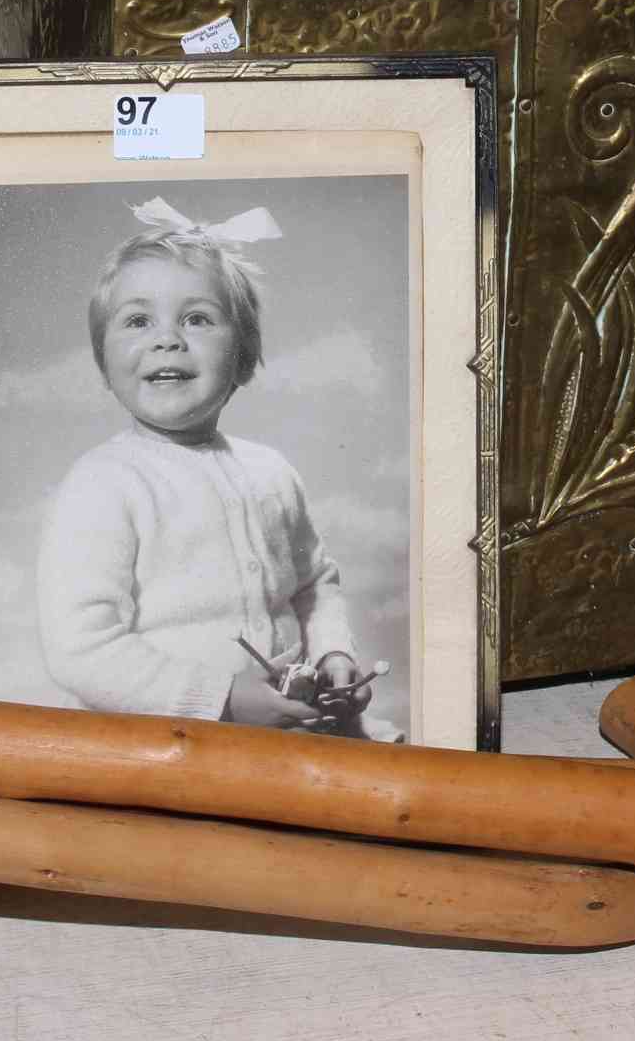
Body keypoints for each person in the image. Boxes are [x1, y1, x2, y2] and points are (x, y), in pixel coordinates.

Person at [35, 195, 378, 732]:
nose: (167, 339)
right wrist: (220, 699)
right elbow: (80, 649)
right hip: (169, 742)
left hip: (293, 731)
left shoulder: (272, 472)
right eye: (137, 321)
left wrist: (334, 653)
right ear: (103, 362)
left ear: (243, 358)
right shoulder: (103, 484)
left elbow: (315, 584)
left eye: (197, 319)